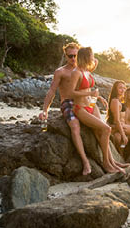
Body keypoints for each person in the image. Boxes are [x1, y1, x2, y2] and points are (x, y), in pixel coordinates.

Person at [68, 47, 125, 174]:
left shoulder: (87, 71)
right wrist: (91, 92)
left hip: (92, 106)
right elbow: (70, 92)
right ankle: (106, 163)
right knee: (107, 129)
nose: (93, 58)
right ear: (86, 57)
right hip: (80, 108)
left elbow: (87, 88)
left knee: (101, 131)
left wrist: (98, 97)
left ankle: (112, 162)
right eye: (92, 56)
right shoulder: (76, 72)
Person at [39, 42, 92, 176]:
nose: (73, 59)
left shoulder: (83, 70)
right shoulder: (61, 72)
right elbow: (51, 91)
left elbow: (94, 61)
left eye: (76, 55)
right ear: (66, 56)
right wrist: (45, 110)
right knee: (75, 126)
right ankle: (85, 161)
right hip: (68, 103)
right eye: (70, 56)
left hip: (83, 102)